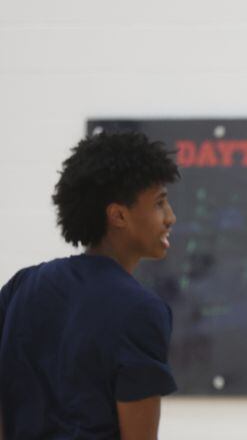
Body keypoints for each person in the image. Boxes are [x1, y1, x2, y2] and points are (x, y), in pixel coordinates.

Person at [0, 131, 180, 440]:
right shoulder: (142, 311)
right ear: (118, 215)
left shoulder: (22, 285)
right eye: (159, 203)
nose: (170, 217)